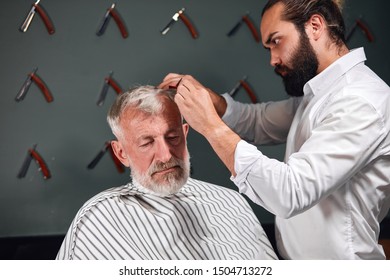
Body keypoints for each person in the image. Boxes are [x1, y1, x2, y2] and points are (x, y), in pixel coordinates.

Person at [159, 0, 390, 259]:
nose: (272, 59)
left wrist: (210, 126)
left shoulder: (360, 100)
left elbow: (289, 192)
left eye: (276, 41)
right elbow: (257, 122)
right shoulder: (320, 93)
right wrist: (214, 102)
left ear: (315, 26)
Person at [56, 85, 277, 260]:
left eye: (172, 138)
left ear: (185, 133)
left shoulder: (231, 202)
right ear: (121, 152)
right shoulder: (100, 217)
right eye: (146, 143)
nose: (166, 155)